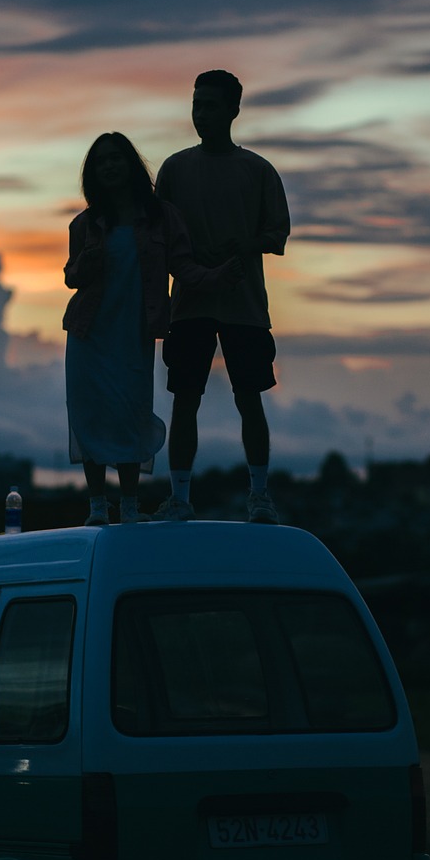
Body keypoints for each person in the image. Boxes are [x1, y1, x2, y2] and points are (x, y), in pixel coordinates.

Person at [63, 131, 242, 525]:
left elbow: (184, 266)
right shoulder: (86, 223)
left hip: (133, 332)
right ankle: (97, 507)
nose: (110, 166)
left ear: (131, 164)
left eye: (116, 158)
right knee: (89, 414)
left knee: (131, 413)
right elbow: (71, 277)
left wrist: (218, 277)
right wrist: (88, 260)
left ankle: (128, 505)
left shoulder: (162, 218)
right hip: (88, 333)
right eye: (101, 161)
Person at [153, 69, 291, 523]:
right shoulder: (174, 169)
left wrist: (243, 247)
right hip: (190, 302)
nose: (201, 114)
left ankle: (259, 495)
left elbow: (277, 232)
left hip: (243, 303)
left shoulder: (257, 170)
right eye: (196, 105)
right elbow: (159, 236)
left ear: (233, 110)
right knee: (184, 398)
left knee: (248, 396)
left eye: (211, 105)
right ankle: (179, 498)